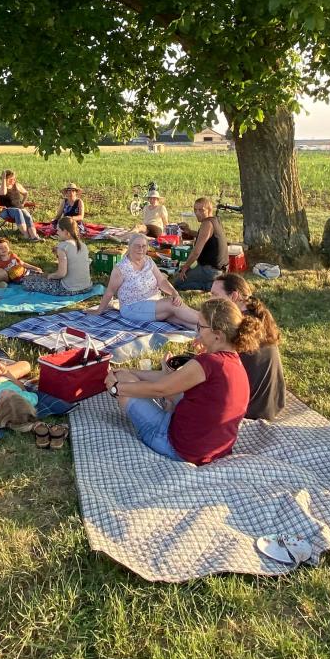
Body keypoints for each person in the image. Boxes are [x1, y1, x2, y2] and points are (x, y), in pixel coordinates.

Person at [104, 297, 261, 464]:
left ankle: (161, 408)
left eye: (200, 326)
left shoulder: (209, 363)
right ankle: (167, 406)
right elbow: (169, 381)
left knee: (122, 380)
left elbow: (160, 389)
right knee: (130, 376)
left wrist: (116, 388)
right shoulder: (233, 362)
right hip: (213, 450)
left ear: (218, 335)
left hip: (176, 447)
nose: (197, 331)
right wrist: (130, 371)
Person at [211, 273, 285, 421]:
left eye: (214, 295)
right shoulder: (257, 317)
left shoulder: (237, 326)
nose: (210, 300)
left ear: (234, 296)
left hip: (249, 411)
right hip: (274, 403)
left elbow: (213, 368)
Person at [91, 233, 200, 326]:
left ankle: (200, 328)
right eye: (137, 246)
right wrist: (99, 310)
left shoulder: (148, 261)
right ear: (129, 247)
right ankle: (206, 322)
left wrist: (174, 293)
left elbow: (161, 281)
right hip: (132, 307)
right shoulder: (121, 268)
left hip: (154, 300)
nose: (141, 249)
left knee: (174, 311)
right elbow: (110, 291)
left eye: (144, 246)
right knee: (172, 304)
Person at [20, 217, 94, 295]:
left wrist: (51, 276)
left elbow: (61, 274)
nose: (57, 233)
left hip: (69, 289)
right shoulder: (83, 245)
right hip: (87, 287)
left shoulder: (63, 246)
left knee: (27, 283)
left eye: (58, 230)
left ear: (65, 231)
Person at [172, 197, 230, 291]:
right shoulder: (215, 220)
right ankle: (212, 283)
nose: (197, 213)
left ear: (209, 210)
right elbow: (205, 237)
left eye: (201, 210)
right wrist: (190, 231)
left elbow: (196, 252)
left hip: (211, 271)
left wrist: (185, 267)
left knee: (177, 284)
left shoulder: (206, 224)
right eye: (195, 210)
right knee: (186, 275)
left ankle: (210, 286)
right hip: (221, 268)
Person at [0, 170, 40, 240]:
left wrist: (23, 203)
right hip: (4, 210)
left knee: (27, 215)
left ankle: (34, 236)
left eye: (14, 179)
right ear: (4, 179)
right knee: (18, 211)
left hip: (18, 208)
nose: (13, 181)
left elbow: (26, 193)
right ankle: (26, 236)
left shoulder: (17, 185)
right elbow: (3, 193)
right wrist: (4, 180)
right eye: (10, 179)